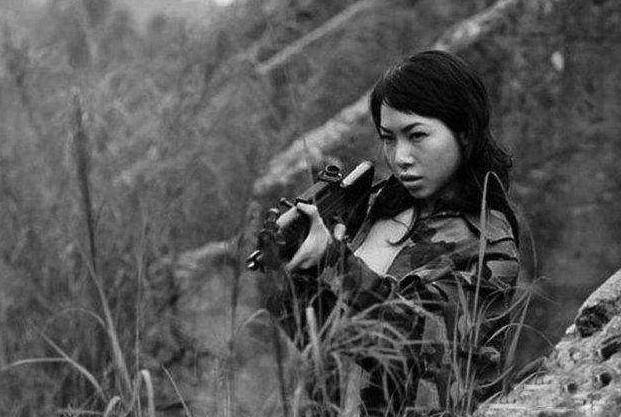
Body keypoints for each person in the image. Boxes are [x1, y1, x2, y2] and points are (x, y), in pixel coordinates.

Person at [266, 50, 522, 417]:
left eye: (417, 135)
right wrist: (298, 271)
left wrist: (334, 260)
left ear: (464, 133)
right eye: (388, 138)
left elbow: (418, 345)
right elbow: (333, 342)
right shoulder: (376, 206)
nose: (400, 157)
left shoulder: (489, 241)